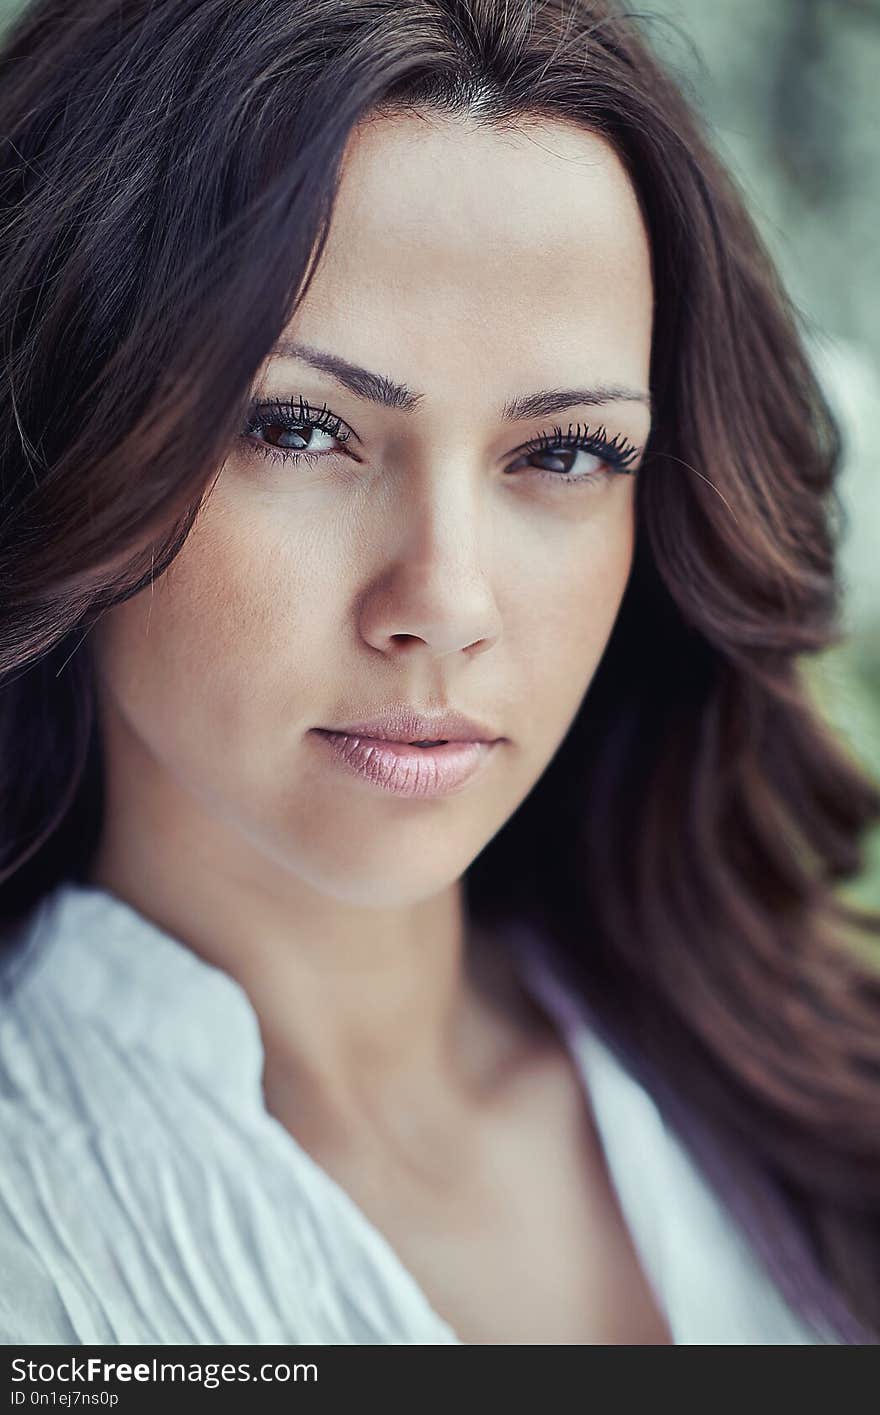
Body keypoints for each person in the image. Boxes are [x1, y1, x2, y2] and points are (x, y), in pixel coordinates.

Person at [0, 0, 878, 1347]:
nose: (446, 607)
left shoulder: (813, 1072)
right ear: (74, 431)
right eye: (299, 429)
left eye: (566, 453)